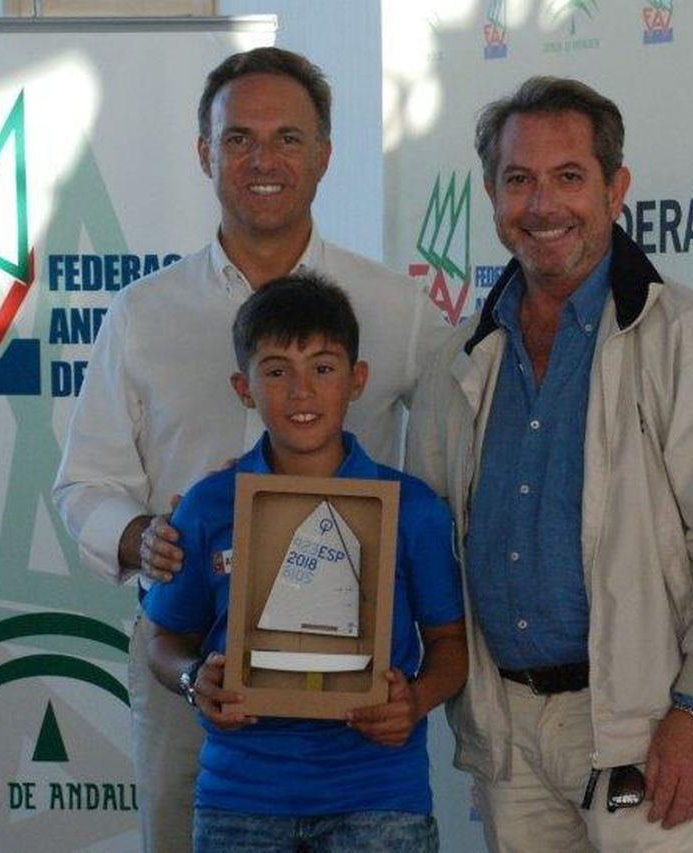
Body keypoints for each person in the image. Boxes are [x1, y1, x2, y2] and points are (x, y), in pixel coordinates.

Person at [52, 47, 442, 853]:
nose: (263, 159)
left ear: (325, 155)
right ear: (205, 153)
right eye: (239, 139)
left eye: (289, 138)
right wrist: (141, 538)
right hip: (193, 660)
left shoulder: (396, 309)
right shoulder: (142, 313)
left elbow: (445, 463)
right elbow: (85, 482)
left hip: (354, 693)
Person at [406, 76, 693, 852]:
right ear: (491, 196)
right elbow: (426, 543)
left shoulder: (690, 344)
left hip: (643, 724)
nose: (543, 205)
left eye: (568, 177)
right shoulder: (458, 361)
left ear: (615, 189)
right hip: (506, 730)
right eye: (518, 180)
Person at [143, 275, 466, 852]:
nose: (300, 392)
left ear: (357, 380)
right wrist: (196, 680)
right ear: (244, 388)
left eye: (322, 367)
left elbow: (451, 644)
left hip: (377, 797)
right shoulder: (209, 505)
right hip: (240, 796)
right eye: (276, 371)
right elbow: (164, 639)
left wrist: (414, 701)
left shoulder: (410, 508)